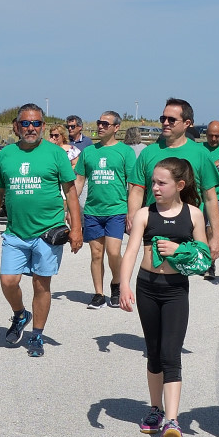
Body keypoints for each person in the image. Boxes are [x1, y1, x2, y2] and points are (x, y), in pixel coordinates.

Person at [0, 104, 83, 357]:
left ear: (43, 126)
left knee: (41, 285)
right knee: (8, 281)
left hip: (47, 231)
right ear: (17, 126)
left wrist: (76, 228)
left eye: (36, 123)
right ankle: (20, 314)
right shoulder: (5, 155)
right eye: (26, 123)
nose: (31, 128)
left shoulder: (56, 153)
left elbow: (71, 192)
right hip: (15, 232)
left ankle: (37, 335)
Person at [119, 156, 202, 437]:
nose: (154, 187)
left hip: (176, 290)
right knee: (153, 352)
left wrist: (180, 250)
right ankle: (155, 409)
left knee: (171, 354)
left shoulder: (193, 215)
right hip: (147, 288)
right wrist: (123, 285)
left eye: (161, 183)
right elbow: (131, 251)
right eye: (153, 182)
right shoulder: (145, 214)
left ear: (179, 185)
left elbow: (203, 256)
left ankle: (172, 420)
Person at [128, 99, 219, 268]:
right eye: (163, 118)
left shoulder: (201, 154)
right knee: (152, 269)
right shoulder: (148, 153)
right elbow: (137, 189)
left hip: (187, 228)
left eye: (171, 119)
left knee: (180, 277)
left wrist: (215, 236)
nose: (165, 123)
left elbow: (210, 197)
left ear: (187, 123)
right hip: (154, 224)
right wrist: (132, 216)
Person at [75, 111, 135, 307]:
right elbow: (79, 181)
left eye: (105, 124)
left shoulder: (125, 152)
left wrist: (132, 211)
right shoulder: (88, 152)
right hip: (93, 210)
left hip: (116, 209)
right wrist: (70, 207)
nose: (100, 126)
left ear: (116, 128)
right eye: (99, 123)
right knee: (96, 254)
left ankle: (116, 284)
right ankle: (98, 293)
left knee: (113, 252)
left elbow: (132, 184)